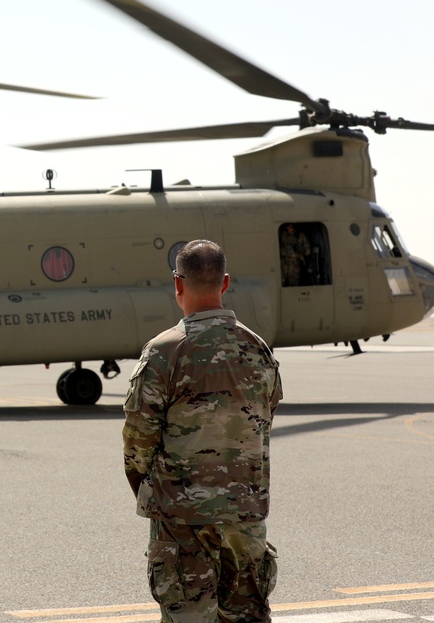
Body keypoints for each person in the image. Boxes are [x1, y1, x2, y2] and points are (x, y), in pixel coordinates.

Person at [123, 239, 282, 622]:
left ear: (177, 285)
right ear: (225, 283)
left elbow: (138, 442)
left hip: (182, 519)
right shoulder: (257, 349)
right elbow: (265, 418)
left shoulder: (164, 352)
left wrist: (154, 493)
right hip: (244, 516)